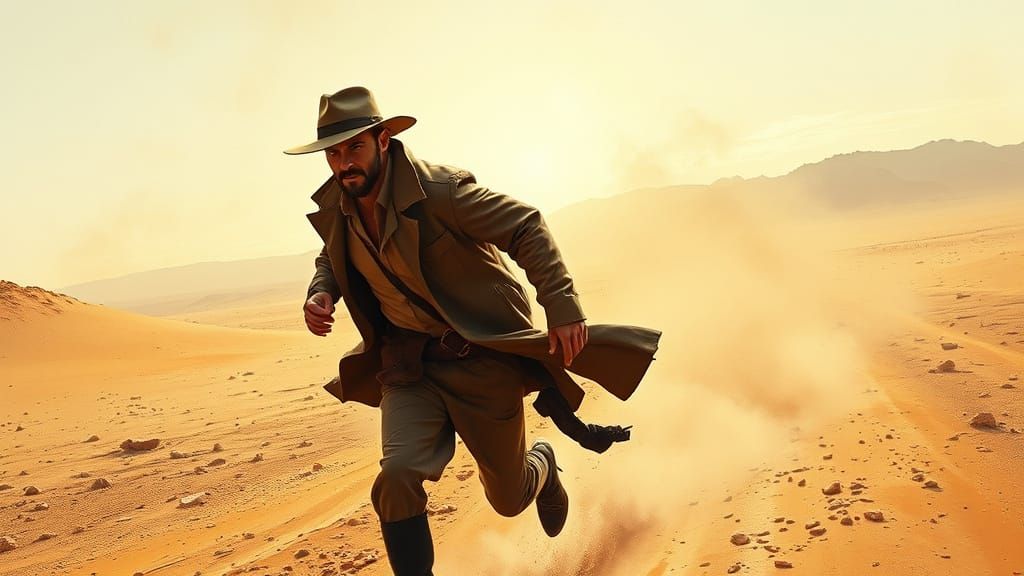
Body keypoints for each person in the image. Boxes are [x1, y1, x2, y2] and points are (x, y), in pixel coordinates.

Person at [284, 86, 660, 576]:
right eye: (332, 153)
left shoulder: (442, 193)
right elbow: (331, 256)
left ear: (382, 140)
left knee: (508, 499)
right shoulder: (341, 205)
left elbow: (525, 225)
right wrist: (321, 292)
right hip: (409, 366)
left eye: (353, 147)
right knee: (397, 477)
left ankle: (542, 467)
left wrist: (562, 306)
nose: (342, 163)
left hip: (481, 360)